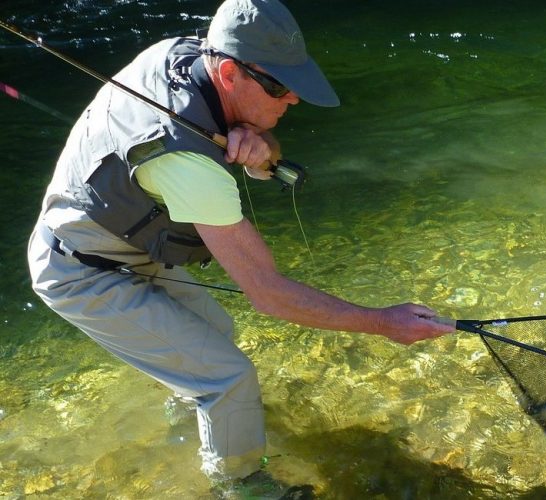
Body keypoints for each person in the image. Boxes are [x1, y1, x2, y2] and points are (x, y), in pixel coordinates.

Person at [25, 0, 454, 494]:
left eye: (294, 82)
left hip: (123, 244)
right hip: (80, 270)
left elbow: (263, 151)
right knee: (227, 377)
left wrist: (262, 148)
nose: (293, 98)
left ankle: (191, 416)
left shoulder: (183, 55)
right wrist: (383, 322)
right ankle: (240, 485)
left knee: (217, 334)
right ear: (230, 73)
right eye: (278, 86)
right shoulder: (185, 162)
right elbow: (268, 294)